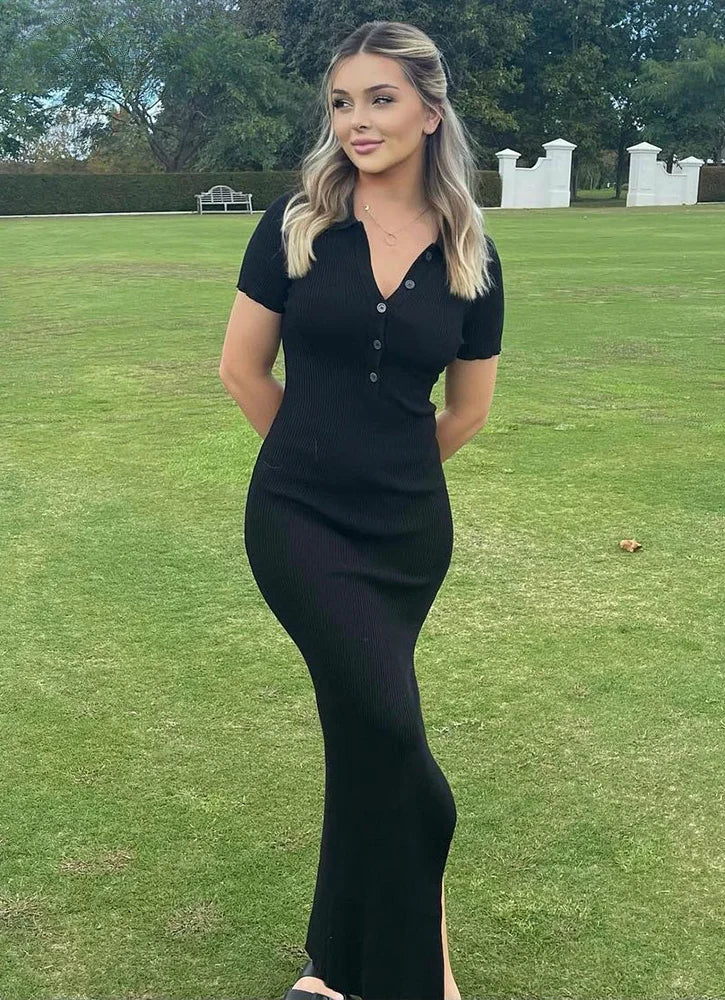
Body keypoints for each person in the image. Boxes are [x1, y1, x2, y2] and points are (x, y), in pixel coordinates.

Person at [219, 19, 504, 1000]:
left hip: (408, 536)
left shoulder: (471, 250)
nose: (357, 120)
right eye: (342, 102)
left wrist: (386, 472)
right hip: (297, 520)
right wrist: (317, 463)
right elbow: (241, 370)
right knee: (391, 731)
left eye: (381, 99)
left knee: (361, 732)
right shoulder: (296, 223)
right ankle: (426, 972)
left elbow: (467, 410)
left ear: (430, 112)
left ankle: (334, 969)